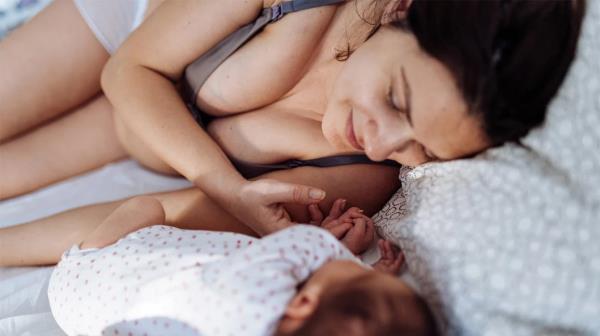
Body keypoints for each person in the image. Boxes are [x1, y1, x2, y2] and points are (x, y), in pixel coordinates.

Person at [0, 0, 585, 266]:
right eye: (396, 99)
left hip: (135, 138)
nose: (382, 144)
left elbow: (158, 210)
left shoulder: (360, 174)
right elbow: (130, 70)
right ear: (399, 10)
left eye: (423, 149)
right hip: (126, 35)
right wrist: (231, 188)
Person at [48, 196, 438, 336]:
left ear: (303, 304)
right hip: (81, 322)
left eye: (354, 270)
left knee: (146, 207)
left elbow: (302, 244)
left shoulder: (258, 288)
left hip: (84, 272)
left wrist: (341, 249)